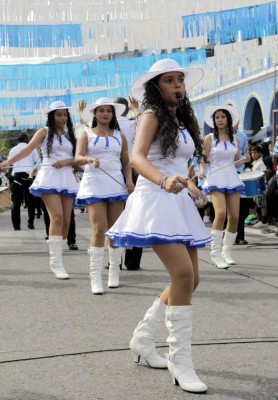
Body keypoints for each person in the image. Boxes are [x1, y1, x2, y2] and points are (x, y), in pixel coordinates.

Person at [107, 59, 210, 394]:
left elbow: (180, 163)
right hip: (155, 197)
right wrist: (165, 179)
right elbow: (137, 157)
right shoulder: (150, 114)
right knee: (182, 275)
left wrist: (192, 186)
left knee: (191, 280)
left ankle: (142, 338)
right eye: (170, 80)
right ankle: (181, 362)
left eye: (180, 79)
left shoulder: (181, 118)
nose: (178, 84)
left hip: (178, 199)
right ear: (156, 86)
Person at [0, 101, 79, 279]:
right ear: (51, 116)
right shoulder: (44, 132)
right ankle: (56, 262)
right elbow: (28, 149)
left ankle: (58, 250)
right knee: (57, 217)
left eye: (65, 114)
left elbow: (76, 158)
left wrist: (69, 162)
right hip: (49, 176)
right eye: (59, 114)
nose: (62, 118)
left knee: (67, 221)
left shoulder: (69, 136)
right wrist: (6, 163)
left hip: (67, 177)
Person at [75, 97, 134, 294]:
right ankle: (95, 277)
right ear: (95, 113)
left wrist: (129, 180)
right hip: (94, 185)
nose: (105, 114)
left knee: (115, 230)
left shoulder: (120, 135)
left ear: (113, 114)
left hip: (116, 184)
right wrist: (88, 158)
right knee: (99, 228)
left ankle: (114, 273)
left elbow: (126, 161)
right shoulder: (86, 134)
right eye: (101, 110)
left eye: (109, 110)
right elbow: (77, 157)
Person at [200, 105, 250, 268]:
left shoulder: (236, 139)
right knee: (220, 213)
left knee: (235, 216)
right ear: (214, 121)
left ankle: (226, 252)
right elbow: (203, 158)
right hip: (215, 176)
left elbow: (236, 163)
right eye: (217, 117)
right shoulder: (209, 138)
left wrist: (245, 159)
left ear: (228, 119)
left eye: (223, 117)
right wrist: (202, 170)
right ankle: (215, 253)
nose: (220, 120)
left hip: (231, 177)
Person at [114, 96, 143, 270]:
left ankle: (114, 259)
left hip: (115, 169)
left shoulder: (109, 126)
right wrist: (135, 109)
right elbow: (145, 121)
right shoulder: (134, 122)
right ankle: (132, 262)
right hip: (136, 169)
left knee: (115, 217)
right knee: (135, 215)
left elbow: (88, 125)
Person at [6, 133, 39, 230]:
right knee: (30, 201)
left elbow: (10, 164)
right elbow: (37, 163)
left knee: (16, 202)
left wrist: (10, 177)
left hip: (16, 176)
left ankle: (16, 225)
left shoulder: (12, 150)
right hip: (28, 176)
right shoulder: (32, 148)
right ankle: (30, 223)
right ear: (27, 140)